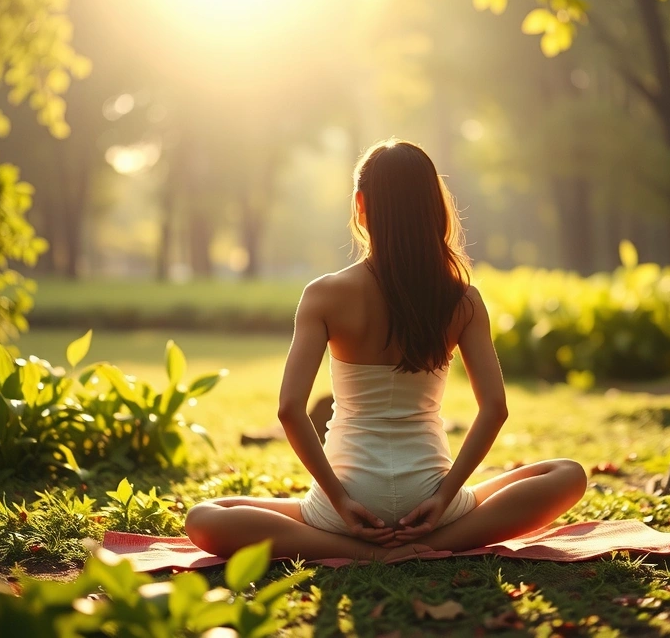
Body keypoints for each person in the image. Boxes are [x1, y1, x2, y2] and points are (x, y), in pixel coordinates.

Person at [185, 139, 587, 561]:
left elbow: (290, 410)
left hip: (345, 506)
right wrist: (445, 497)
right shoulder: (463, 299)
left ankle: (354, 549)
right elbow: (495, 408)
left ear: (361, 205)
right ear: (435, 206)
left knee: (206, 516)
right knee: (567, 474)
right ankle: (431, 544)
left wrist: (340, 502)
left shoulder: (324, 294)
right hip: (432, 502)